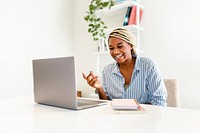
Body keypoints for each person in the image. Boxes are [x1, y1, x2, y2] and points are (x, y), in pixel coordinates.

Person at [82, 28, 167, 106]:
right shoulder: (107, 71)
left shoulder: (148, 66)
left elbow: (159, 101)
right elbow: (107, 104)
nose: (115, 52)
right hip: (116, 120)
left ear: (130, 45)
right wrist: (99, 88)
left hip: (144, 119)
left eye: (120, 46)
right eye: (111, 48)